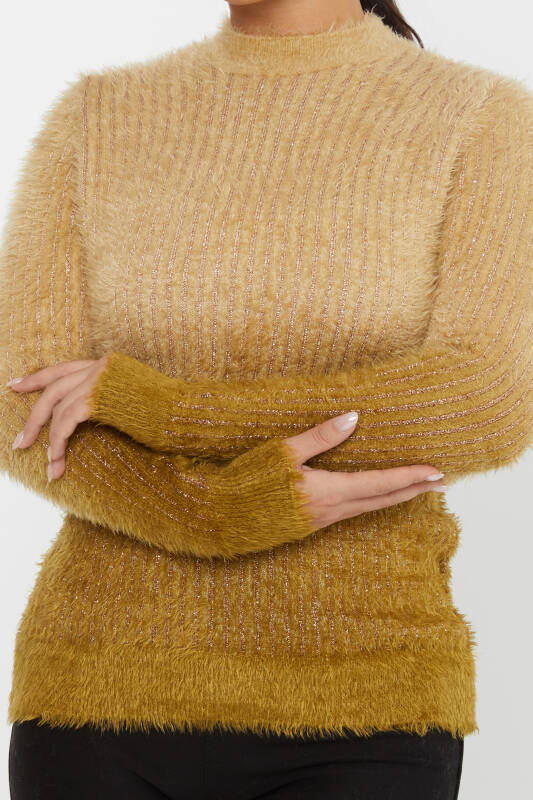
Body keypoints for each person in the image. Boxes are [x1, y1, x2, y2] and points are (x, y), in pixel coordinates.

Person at [3, 0, 532, 797]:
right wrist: (212, 511)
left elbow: (483, 397)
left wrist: (163, 408)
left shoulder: (479, 118)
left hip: (366, 704)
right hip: (96, 698)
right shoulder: (97, 114)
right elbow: (22, 402)